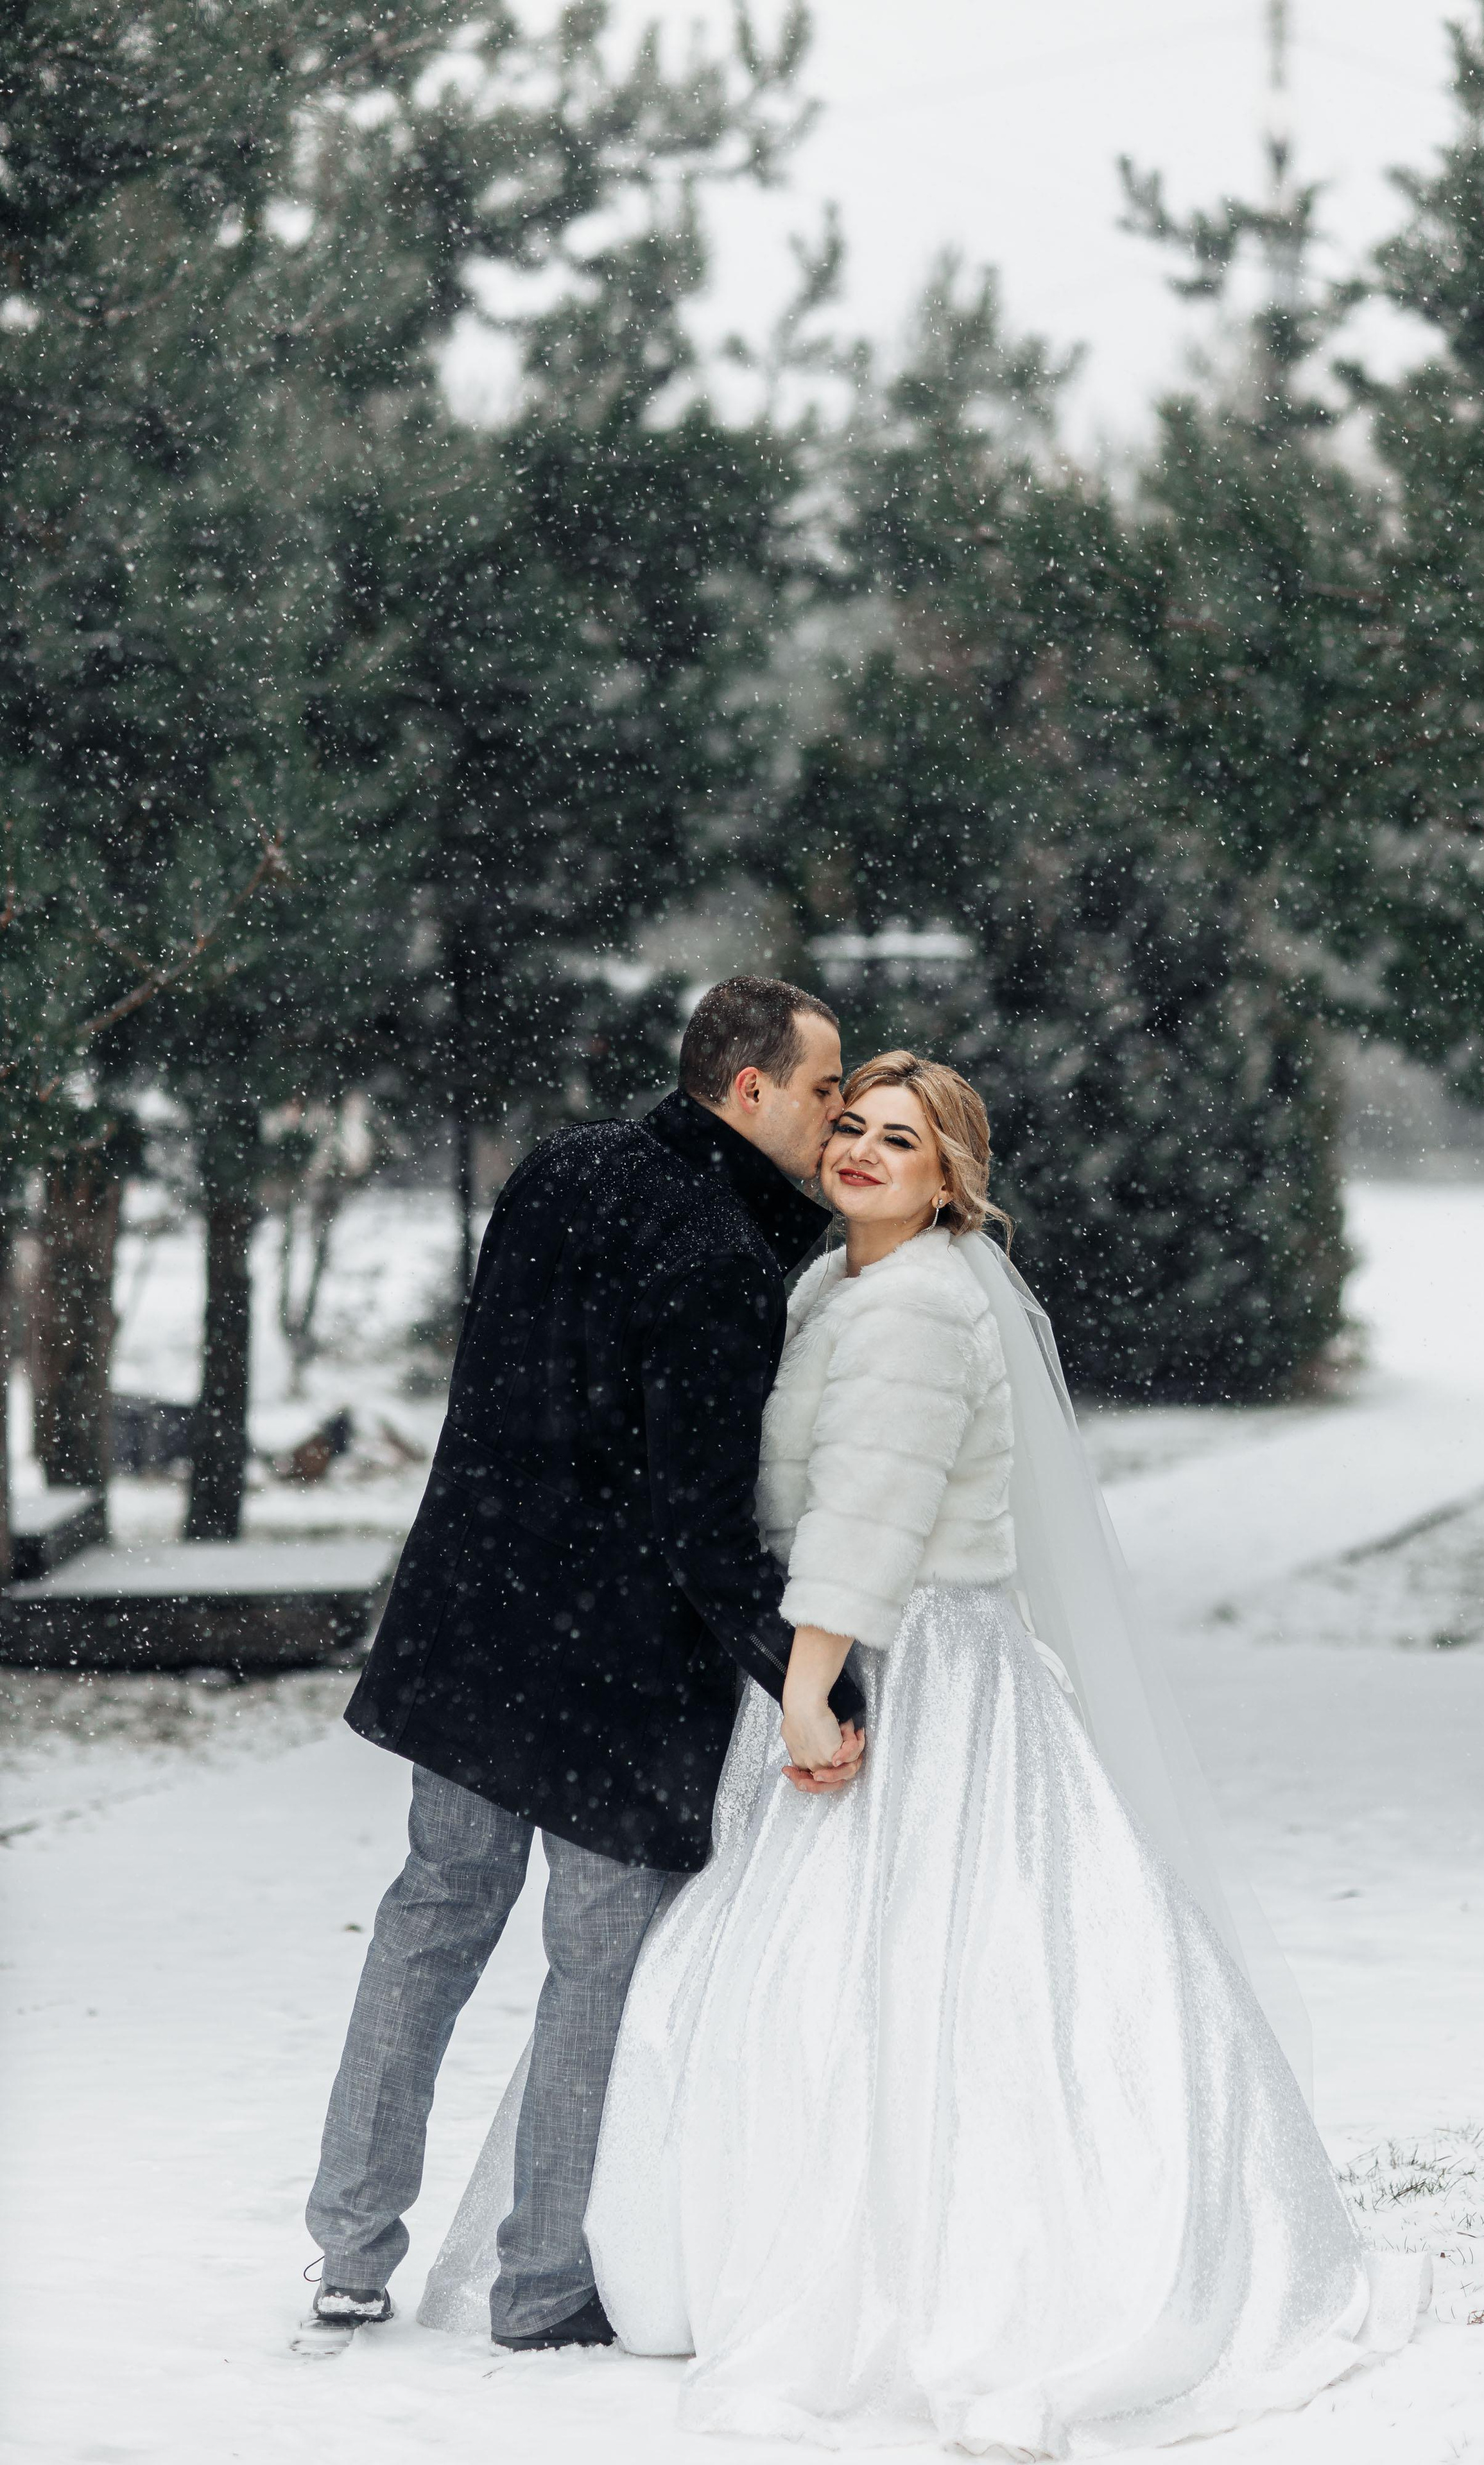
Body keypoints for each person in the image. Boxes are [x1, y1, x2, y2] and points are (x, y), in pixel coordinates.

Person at [425, 1050, 1429, 2453]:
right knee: (810, 1961)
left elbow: (864, 1529)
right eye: (846, 1125)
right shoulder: (841, 1283)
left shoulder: (908, 1311)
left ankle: (903, 2265)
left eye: (896, 1140)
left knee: (910, 1961)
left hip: (902, 1663)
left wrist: (806, 1689)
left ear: (947, 1177)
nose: (856, 1150)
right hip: (859, 1648)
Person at [304, 977, 867, 2348]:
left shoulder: (559, 1170)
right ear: (748, 1091)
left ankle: (349, 2246)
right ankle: (544, 2280)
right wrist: (810, 1676)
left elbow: (500, 1388)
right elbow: (700, 1515)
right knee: (596, 1958)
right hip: (611, 1662)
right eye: (819, 1086)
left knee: (432, 1919)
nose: (836, 1110)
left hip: (474, 1615)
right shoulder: (722, 1251)